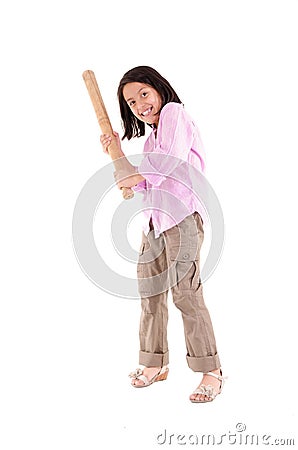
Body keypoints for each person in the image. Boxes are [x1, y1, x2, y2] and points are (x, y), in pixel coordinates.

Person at [100, 66, 226, 403]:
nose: (140, 104)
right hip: (153, 223)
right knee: (150, 295)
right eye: (131, 102)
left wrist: (131, 173)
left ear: (158, 88)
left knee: (186, 294)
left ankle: (211, 371)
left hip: (182, 218)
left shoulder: (174, 113)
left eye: (143, 93)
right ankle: (154, 364)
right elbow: (143, 182)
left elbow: (167, 162)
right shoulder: (149, 136)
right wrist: (119, 155)